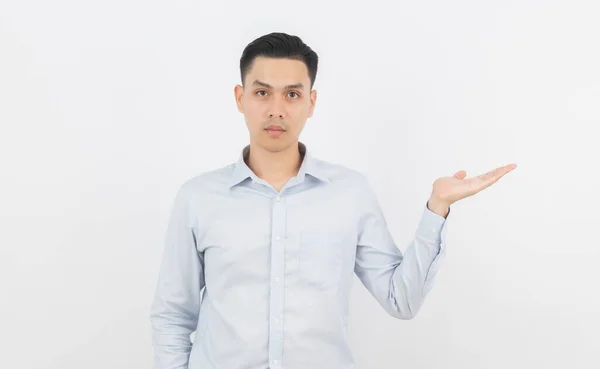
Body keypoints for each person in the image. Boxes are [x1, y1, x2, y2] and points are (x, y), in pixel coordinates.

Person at [149, 32, 517, 369]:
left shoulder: (350, 193)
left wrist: (437, 207)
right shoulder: (198, 198)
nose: (276, 109)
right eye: (262, 92)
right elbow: (173, 316)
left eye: (292, 94)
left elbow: (401, 300)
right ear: (240, 97)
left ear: (311, 103)